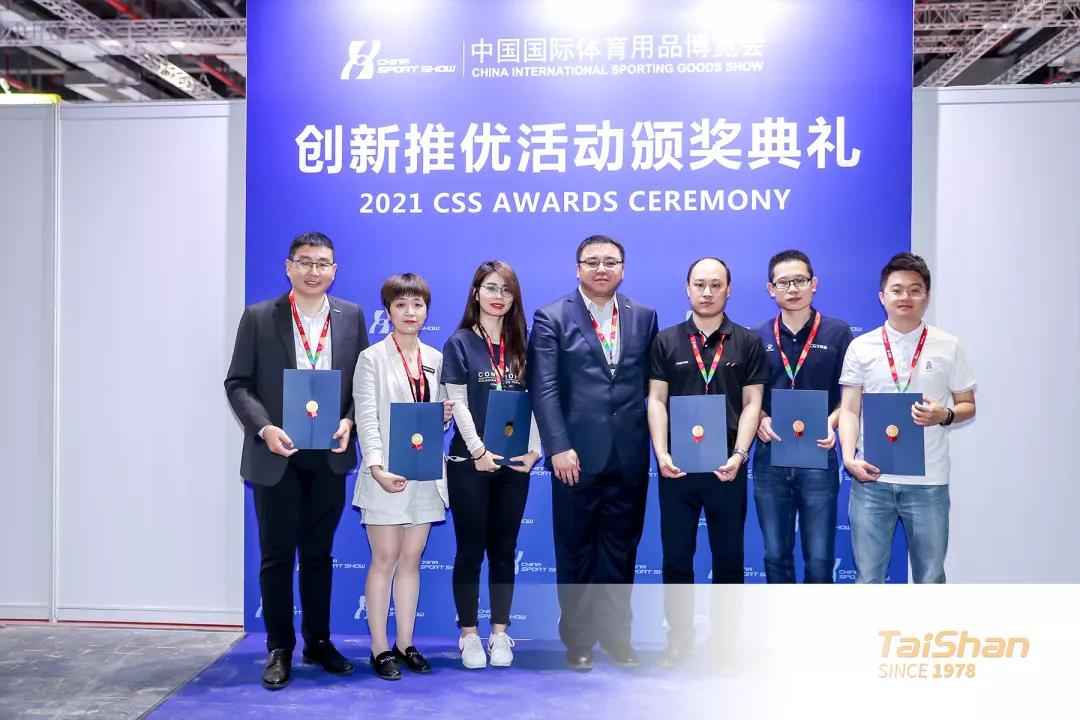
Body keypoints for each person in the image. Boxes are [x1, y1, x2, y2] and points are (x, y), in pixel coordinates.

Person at [224, 231, 369, 690]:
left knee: (319, 555)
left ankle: (318, 642)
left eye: (322, 263)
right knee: (277, 556)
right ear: (288, 267)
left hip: (328, 454)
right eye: (305, 262)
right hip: (276, 454)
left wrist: (349, 421)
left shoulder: (351, 315)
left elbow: (361, 385)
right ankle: (279, 648)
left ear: (334, 270)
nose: (313, 271)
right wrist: (264, 428)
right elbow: (238, 383)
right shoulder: (259, 316)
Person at [527, 235, 658, 672]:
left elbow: (650, 385)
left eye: (610, 262)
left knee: (621, 549)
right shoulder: (551, 316)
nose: (602, 269)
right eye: (593, 261)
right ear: (578, 268)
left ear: (623, 268)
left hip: (629, 454)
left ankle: (619, 639)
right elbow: (544, 388)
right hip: (574, 457)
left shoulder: (643, 315)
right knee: (576, 551)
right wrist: (558, 446)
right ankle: (579, 641)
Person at [646, 257, 766, 667]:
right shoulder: (666, 341)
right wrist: (661, 453)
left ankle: (725, 645)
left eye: (716, 285)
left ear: (728, 289)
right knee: (676, 558)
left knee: (729, 559)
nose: (708, 292)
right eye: (700, 284)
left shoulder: (747, 342)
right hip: (676, 467)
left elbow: (752, 404)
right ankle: (679, 639)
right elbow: (656, 400)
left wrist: (740, 454)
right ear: (687, 289)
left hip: (727, 468)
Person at [838, 252, 976, 583]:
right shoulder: (861, 346)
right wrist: (849, 458)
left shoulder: (948, 345)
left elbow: (967, 404)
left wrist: (945, 414)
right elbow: (849, 409)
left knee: (930, 577)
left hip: (928, 483)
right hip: (871, 479)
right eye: (897, 290)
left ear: (927, 296)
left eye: (915, 290)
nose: (906, 297)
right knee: (868, 578)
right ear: (882, 296)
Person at [352, 273, 453, 679]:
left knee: (411, 560)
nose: (410, 312)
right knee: (386, 559)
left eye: (417, 305)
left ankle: (405, 643)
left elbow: (436, 419)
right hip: (386, 474)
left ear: (427, 311)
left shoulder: (436, 358)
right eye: (401, 305)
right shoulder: (371, 358)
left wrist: (443, 416)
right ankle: (379, 648)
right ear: (388, 311)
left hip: (425, 474)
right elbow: (367, 419)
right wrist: (377, 468)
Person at [442, 260, 542, 669]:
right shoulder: (460, 343)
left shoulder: (524, 345)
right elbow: (458, 403)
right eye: (491, 288)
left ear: (514, 297)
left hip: (515, 463)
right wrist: (479, 451)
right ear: (476, 293)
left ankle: (500, 633)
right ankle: (469, 635)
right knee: (470, 550)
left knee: (504, 550)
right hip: (470, 462)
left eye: (506, 289)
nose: (498, 296)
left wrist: (534, 450)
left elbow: (538, 400)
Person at [752, 250, 853, 583]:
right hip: (771, 455)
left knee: (820, 558)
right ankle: (780, 618)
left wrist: (832, 422)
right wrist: (761, 418)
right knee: (775, 555)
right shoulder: (757, 336)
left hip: (819, 454)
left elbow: (850, 395)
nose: (793, 288)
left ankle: (814, 619)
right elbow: (748, 395)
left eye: (800, 280)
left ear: (814, 283)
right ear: (771, 289)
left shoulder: (838, 333)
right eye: (784, 282)